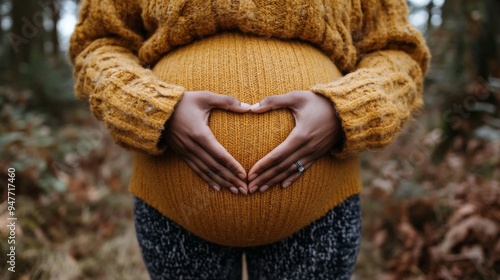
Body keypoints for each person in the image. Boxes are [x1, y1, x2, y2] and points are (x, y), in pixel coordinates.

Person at [69, 0, 430, 279]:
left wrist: (342, 112)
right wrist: (154, 110)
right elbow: (97, 45)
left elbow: (399, 53)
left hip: (321, 205)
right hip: (172, 205)